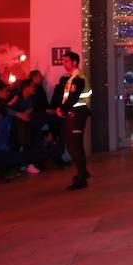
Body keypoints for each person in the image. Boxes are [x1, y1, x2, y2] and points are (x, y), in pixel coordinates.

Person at [57, 51, 91, 190]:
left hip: (76, 114)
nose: (64, 64)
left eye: (66, 61)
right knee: (75, 145)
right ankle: (83, 173)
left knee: (73, 146)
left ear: (75, 62)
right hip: (76, 113)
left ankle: (82, 179)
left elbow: (73, 97)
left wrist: (62, 109)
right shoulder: (74, 77)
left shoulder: (78, 78)